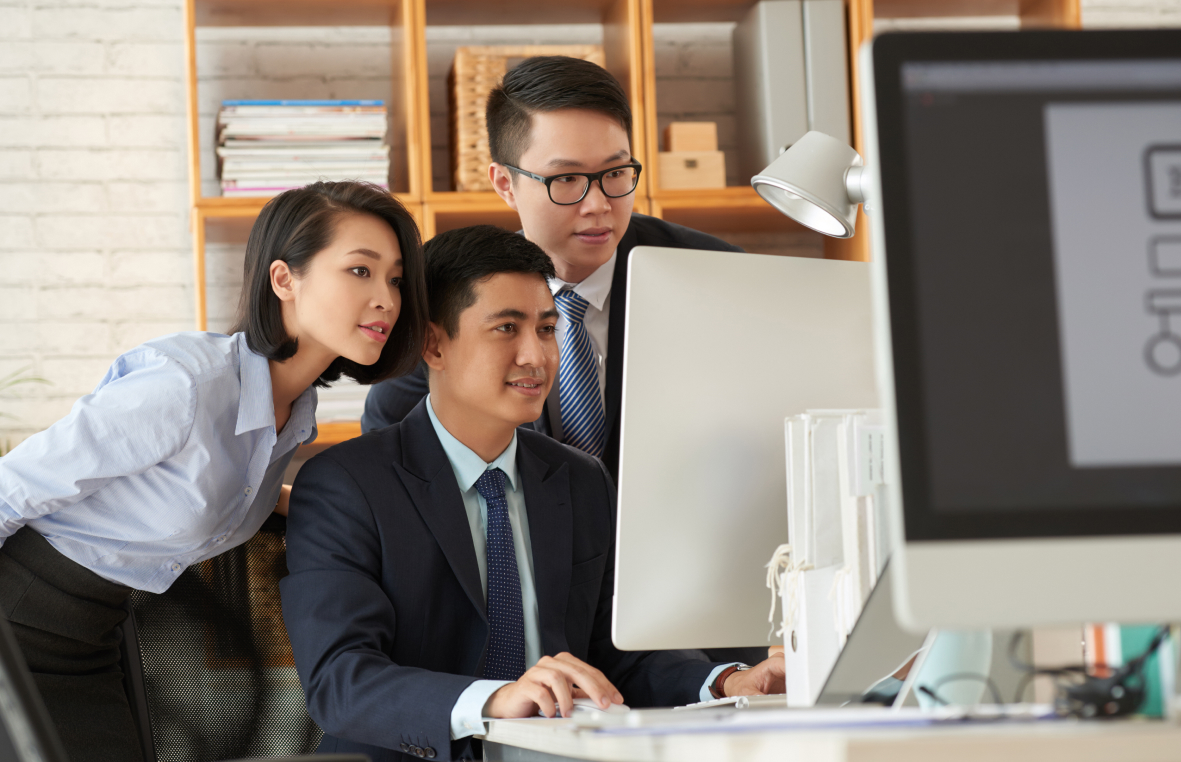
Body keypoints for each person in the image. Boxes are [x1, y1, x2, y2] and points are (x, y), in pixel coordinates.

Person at [280, 225, 785, 762]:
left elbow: (617, 657)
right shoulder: (345, 484)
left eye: (547, 330)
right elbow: (342, 681)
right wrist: (496, 698)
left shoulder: (579, 479)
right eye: (506, 328)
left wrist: (728, 682)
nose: (537, 357)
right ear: (433, 344)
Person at [0, 181, 428, 762]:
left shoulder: (293, 413)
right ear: (284, 280)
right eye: (360, 271)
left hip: (95, 636)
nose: (386, 298)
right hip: (19, 618)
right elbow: (13, 487)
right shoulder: (187, 387)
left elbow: (237, 495)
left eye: (395, 279)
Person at [362, 55, 743, 482]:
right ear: (505, 184)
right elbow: (389, 449)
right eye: (566, 180)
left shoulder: (714, 273)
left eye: (616, 172)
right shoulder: (446, 285)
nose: (598, 204)